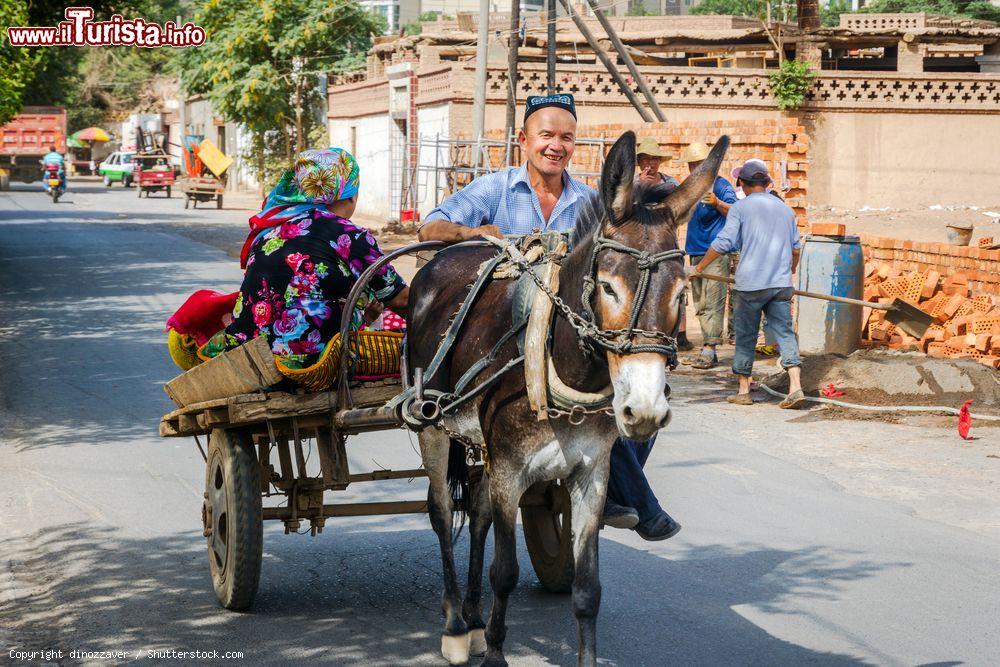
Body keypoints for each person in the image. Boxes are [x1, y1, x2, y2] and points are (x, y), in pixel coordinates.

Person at [419, 94, 680, 541]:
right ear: (524, 140)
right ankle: (636, 501)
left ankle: (615, 486)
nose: (556, 145)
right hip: (502, 338)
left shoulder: (591, 202)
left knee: (646, 390)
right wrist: (473, 232)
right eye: (546, 135)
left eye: (566, 137)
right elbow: (429, 229)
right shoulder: (494, 189)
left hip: (567, 341)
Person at [198, 147, 409, 367]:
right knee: (397, 335)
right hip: (306, 358)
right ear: (351, 194)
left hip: (245, 350)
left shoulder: (271, 229)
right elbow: (400, 299)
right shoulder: (350, 235)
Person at [689, 161, 805, 408]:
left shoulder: (740, 208)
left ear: (741, 183)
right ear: (767, 184)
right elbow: (796, 249)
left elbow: (723, 243)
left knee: (745, 336)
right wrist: (789, 272)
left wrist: (698, 268)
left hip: (751, 284)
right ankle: (796, 385)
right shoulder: (785, 210)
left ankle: (743, 390)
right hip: (780, 284)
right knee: (784, 332)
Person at [681, 141, 737, 369]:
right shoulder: (690, 187)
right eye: (693, 165)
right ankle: (707, 346)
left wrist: (718, 203)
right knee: (700, 302)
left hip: (715, 253)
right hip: (694, 251)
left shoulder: (721, 186)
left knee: (713, 300)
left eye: (701, 165)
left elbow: (738, 211)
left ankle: (710, 349)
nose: (697, 169)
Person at [634, 138, 692, 352]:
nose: (650, 163)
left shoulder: (671, 185)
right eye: (646, 159)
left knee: (674, 287)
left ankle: (680, 334)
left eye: (654, 159)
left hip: (666, 245)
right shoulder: (631, 185)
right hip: (638, 247)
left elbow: (680, 209)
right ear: (639, 162)